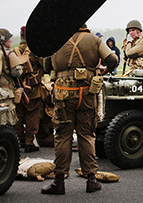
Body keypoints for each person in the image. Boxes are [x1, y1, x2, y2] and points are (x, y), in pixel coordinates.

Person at [41, 25, 117, 195]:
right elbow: (113, 60)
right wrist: (105, 71)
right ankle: (91, 180)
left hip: (63, 95)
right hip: (87, 95)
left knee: (62, 136)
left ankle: (59, 182)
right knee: (87, 135)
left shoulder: (56, 40)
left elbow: (46, 67)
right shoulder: (94, 40)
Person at [13, 26, 45, 152]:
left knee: (19, 115)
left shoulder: (14, 51)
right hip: (33, 88)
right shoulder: (35, 50)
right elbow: (44, 65)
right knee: (32, 115)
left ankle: (18, 140)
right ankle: (29, 142)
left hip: (18, 88)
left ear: (21, 36)